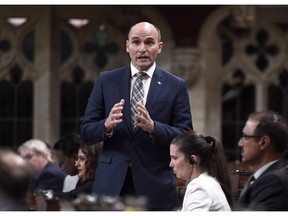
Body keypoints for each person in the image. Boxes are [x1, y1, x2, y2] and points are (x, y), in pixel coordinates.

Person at [80, 21, 193, 210]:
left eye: (149, 42)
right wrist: (106, 126)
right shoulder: (106, 80)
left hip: (154, 183)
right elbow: (86, 132)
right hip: (111, 182)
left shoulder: (176, 85)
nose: (142, 49)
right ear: (127, 46)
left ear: (160, 47)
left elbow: (185, 136)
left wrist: (155, 128)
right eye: (136, 42)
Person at [234, 110, 288, 211]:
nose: (240, 143)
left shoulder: (274, 181)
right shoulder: (260, 178)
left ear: (263, 142)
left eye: (245, 137)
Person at [169, 130, 232, 211]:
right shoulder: (206, 181)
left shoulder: (199, 187)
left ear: (193, 159)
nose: (170, 164)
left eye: (175, 158)